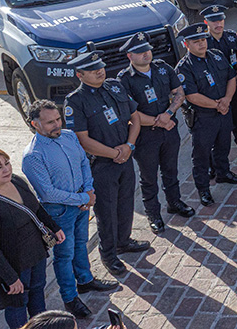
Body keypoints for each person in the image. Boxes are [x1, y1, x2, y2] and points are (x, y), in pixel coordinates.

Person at [22, 101, 118, 319]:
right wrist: (84, 197)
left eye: (58, 119)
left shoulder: (68, 136)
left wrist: (89, 189)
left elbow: (84, 162)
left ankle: (85, 280)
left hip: (82, 203)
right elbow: (47, 193)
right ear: (34, 124)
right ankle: (70, 297)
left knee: (81, 243)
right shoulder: (32, 156)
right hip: (59, 211)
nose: (57, 125)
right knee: (64, 255)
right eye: (50, 122)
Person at [63, 51, 149, 277]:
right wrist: (114, 153)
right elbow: (82, 140)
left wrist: (129, 146)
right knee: (107, 212)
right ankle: (109, 254)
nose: (99, 71)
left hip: (125, 157)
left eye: (100, 66)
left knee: (126, 202)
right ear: (80, 75)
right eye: (92, 70)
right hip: (102, 165)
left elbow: (135, 117)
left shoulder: (115, 86)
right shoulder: (75, 101)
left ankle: (124, 241)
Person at [0, 148, 63, 328]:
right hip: (14, 265)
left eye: (7, 163)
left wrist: (54, 227)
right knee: (17, 306)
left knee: (37, 294)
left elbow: (35, 208)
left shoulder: (16, 181)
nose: (6, 170)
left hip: (35, 254)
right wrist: (10, 278)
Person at [115, 33, 191, 235]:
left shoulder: (163, 68)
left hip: (168, 130)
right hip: (145, 136)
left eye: (147, 49)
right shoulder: (124, 79)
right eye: (140, 52)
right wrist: (161, 122)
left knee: (171, 170)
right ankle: (154, 214)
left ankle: (174, 202)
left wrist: (168, 114)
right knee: (149, 177)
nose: (146, 54)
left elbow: (179, 93)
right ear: (130, 56)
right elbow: (130, 114)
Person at [176, 23, 237, 205]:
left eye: (203, 39)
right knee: (202, 155)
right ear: (186, 44)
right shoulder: (184, 68)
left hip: (223, 111)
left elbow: (231, 77)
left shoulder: (217, 56)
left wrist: (227, 100)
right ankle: (203, 189)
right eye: (196, 41)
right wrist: (217, 105)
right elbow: (192, 95)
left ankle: (223, 173)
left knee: (224, 145)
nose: (202, 44)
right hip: (203, 118)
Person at [203, 6, 237, 162]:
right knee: (213, 130)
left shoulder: (231, 38)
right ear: (206, 22)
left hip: (233, 88)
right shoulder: (203, 43)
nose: (218, 24)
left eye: (220, 20)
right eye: (213, 21)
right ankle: (213, 164)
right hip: (213, 94)